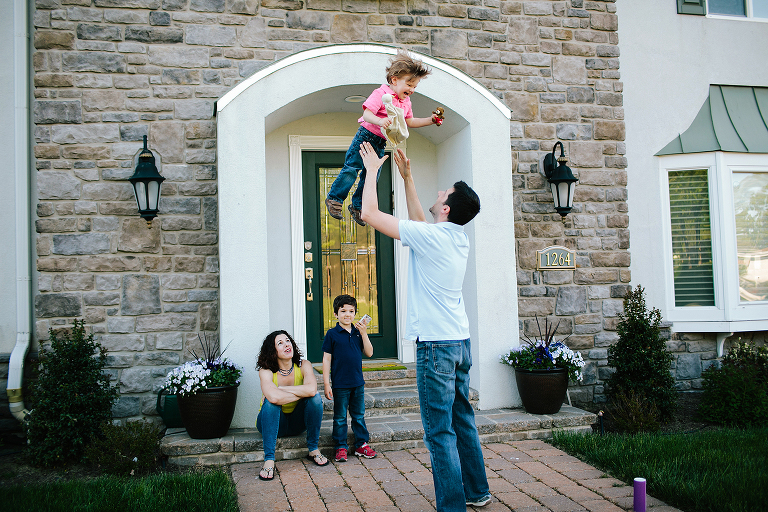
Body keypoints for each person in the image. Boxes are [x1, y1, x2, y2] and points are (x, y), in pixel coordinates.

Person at [358, 142, 492, 511]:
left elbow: (369, 213)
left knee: (438, 431)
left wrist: (373, 171)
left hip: (436, 346)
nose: (438, 193)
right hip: (459, 343)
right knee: (462, 419)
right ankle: (477, 491)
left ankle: (452, 506)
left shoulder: (434, 237)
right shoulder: (456, 238)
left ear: (446, 208)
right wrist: (408, 179)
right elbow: (421, 224)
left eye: (442, 193)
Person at [325, 49, 443, 227]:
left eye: (414, 87)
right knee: (352, 168)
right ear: (394, 80)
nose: (411, 90)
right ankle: (335, 198)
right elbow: (367, 114)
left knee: (371, 176)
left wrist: (430, 120)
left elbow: (409, 121)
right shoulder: (380, 93)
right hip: (366, 137)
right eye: (409, 84)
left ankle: (358, 206)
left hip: (380, 142)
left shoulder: (405, 102)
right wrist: (380, 121)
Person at [256, 330, 328, 481]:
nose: (286, 345)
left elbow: (312, 390)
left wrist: (281, 389)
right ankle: (269, 459)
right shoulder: (266, 371)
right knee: (271, 403)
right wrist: (301, 392)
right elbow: (274, 398)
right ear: (273, 351)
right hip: (272, 422)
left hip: (297, 423)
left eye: (287, 340)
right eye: (280, 343)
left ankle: (313, 449)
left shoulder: (304, 365)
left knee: (315, 398)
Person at [321, 294, 376, 463]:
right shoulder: (332, 334)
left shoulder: (358, 333)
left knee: (358, 415)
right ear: (335, 314)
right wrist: (326, 383)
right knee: (340, 417)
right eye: (343, 311)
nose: (347, 314)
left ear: (355, 313)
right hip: (340, 384)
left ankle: (361, 444)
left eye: (351, 311)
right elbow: (326, 359)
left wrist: (364, 333)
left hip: (357, 383)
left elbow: (369, 353)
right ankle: (341, 447)